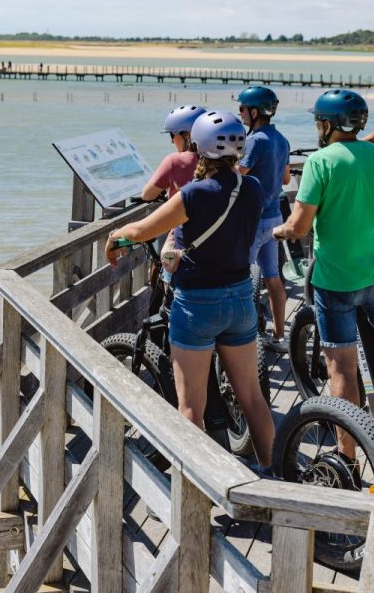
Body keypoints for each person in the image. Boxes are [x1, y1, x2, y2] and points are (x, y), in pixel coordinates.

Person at [106, 110, 275, 471]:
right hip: (241, 296)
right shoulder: (254, 187)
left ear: (198, 147)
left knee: (190, 409)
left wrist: (114, 237)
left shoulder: (194, 194)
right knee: (253, 398)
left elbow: (142, 230)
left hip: (198, 304)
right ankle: (275, 477)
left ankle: (194, 492)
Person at [271, 90, 374, 468]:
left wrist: (280, 232)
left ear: (326, 124)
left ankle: (347, 455)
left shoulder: (320, 163)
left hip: (335, 280)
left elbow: (300, 224)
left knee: (341, 366)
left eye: (318, 121)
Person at [235, 86, 290, 350]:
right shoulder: (281, 139)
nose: (240, 113)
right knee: (273, 276)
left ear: (255, 111)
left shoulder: (255, 140)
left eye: (243, 108)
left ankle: (242, 338)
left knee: (241, 277)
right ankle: (279, 336)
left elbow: (238, 173)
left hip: (252, 220)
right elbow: (287, 179)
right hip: (275, 217)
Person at [141, 104, 205, 201]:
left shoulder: (175, 160)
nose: (172, 141)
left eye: (172, 135)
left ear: (187, 135)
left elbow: (147, 195)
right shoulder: (221, 159)